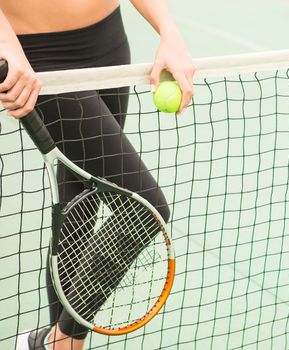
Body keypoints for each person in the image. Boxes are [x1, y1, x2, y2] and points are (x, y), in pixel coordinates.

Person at [0, 1, 195, 349]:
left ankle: (54, 342)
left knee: (79, 196)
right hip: (38, 57)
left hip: (109, 42)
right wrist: (5, 45)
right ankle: (62, 340)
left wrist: (170, 31)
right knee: (144, 208)